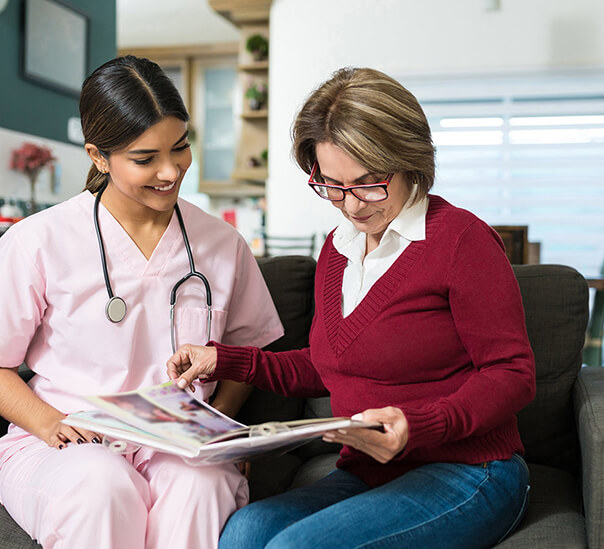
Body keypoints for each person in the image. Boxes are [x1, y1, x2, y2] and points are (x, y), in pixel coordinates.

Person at [167, 67, 536, 549]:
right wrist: (226, 358)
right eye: (332, 186)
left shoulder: (462, 241)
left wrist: (419, 426)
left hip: (470, 471)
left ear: (409, 161)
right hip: (371, 469)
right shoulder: (338, 249)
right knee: (244, 532)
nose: (352, 206)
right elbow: (328, 365)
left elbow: (513, 372)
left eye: (367, 183)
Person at [0, 56, 284, 549]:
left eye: (180, 147)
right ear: (98, 156)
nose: (170, 171)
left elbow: (247, 354)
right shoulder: (38, 241)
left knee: (204, 484)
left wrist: (221, 427)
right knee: (102, 485)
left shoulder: (222, 244)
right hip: (68, 439)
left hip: (178, 440)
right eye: (145, 159)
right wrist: (50, 424)